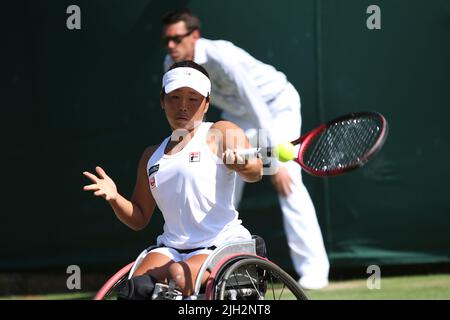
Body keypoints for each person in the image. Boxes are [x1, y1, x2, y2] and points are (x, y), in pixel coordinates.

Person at [160, 8, 330, 289]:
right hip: (238, 117)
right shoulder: (172, 63)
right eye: (167, 40)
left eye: (177, 39)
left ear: (194, 36)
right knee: (218, 179)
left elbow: (255, 102)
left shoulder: (221, 55)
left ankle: (315, 271)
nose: (171, 46)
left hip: (276, 107)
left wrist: (273, 160)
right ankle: (215, 262)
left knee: (287, 181)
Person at [83, 60, 262, 299]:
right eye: (175, 97)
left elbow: (257, 170)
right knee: (133, 290)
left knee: (179, 276)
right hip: (171, 249)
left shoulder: (221, 131)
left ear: (207, 103)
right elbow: (138, 217)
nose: (183, 107)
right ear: (162, 101)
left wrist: (242, 164)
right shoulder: (151, 156)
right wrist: (115, 198)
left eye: (193, 98)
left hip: (221, 244)